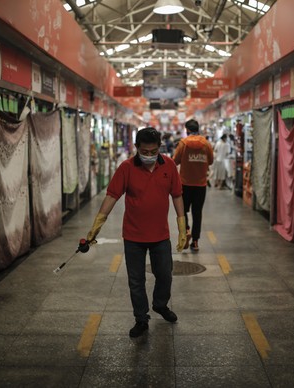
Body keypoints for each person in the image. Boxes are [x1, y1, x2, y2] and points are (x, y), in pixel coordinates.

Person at [85, 127, 187, 338]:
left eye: (153, 151)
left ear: (159, 148)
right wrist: (97, 225)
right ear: (136, 148)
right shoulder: (126, 168)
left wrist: (182, 224)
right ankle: (141, 318)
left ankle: (160, 304)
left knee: (165, 275)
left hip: (160, 235)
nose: (149, 155)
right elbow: (112, 196)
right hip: (133, 236)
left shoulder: (168, 165)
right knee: (136, 280)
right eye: (144, 151)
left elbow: (176, 195)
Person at [173, 119, 214, 252]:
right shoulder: (206, 144)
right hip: (200, 184)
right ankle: (195, 241)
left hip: (185, 183)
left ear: (187, 130)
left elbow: (175, 161)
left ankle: (186, 230)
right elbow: (211, 161)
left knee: (182, 210)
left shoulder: (183, 144)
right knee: (197, 213)